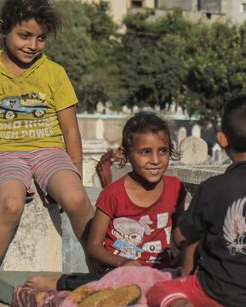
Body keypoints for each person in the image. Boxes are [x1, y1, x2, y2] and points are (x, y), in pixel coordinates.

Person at [0, 0, 93, 303]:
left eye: (41, 38)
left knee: (76, 198)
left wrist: (74, 172)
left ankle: (100, 273)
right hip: (6, 152)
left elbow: (70, 128)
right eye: (24, 36)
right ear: (3, 29)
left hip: (50, 151)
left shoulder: (54, 73)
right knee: (9, 204)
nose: (32, 45)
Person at [146, 94, 246, 307]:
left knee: (159, 290)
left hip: (217, 293)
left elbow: (182, 235)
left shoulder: (214, 187)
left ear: (222, 139)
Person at [26, 112, 186, 292]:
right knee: (111, 285)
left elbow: (178, 230)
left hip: (160, 269)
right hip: (119, 269)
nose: (156, 160)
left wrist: (186, 248)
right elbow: (94, 245)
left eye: (163, 151)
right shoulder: (113, 194)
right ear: (125, 154)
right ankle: (63, 282)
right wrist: (124, 262)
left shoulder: (176, 188)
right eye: (145, 152)